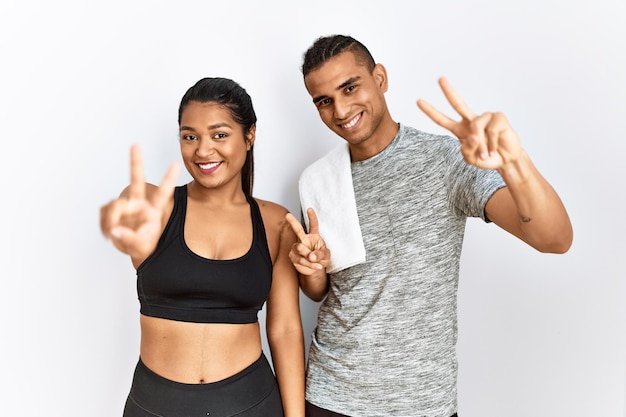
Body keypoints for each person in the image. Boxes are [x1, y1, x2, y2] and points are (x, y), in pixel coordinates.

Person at [285, 35, 573, 417]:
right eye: (324, 101)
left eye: (350, 87)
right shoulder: (317, 179)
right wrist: (312, 270)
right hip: (333, 394)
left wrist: (513, 162)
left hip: (422, 400)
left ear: (380, 78)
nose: (340, 110)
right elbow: (323, 291)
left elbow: (554, 239)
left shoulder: (446, 160)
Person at [100, 77, 305, 417]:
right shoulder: (155, 205)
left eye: (219, 135)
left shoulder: (275, 223)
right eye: (189, 136)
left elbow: (285, 329)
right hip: (155, 406)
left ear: (249, 135)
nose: (203, 150)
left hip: (251, 405)